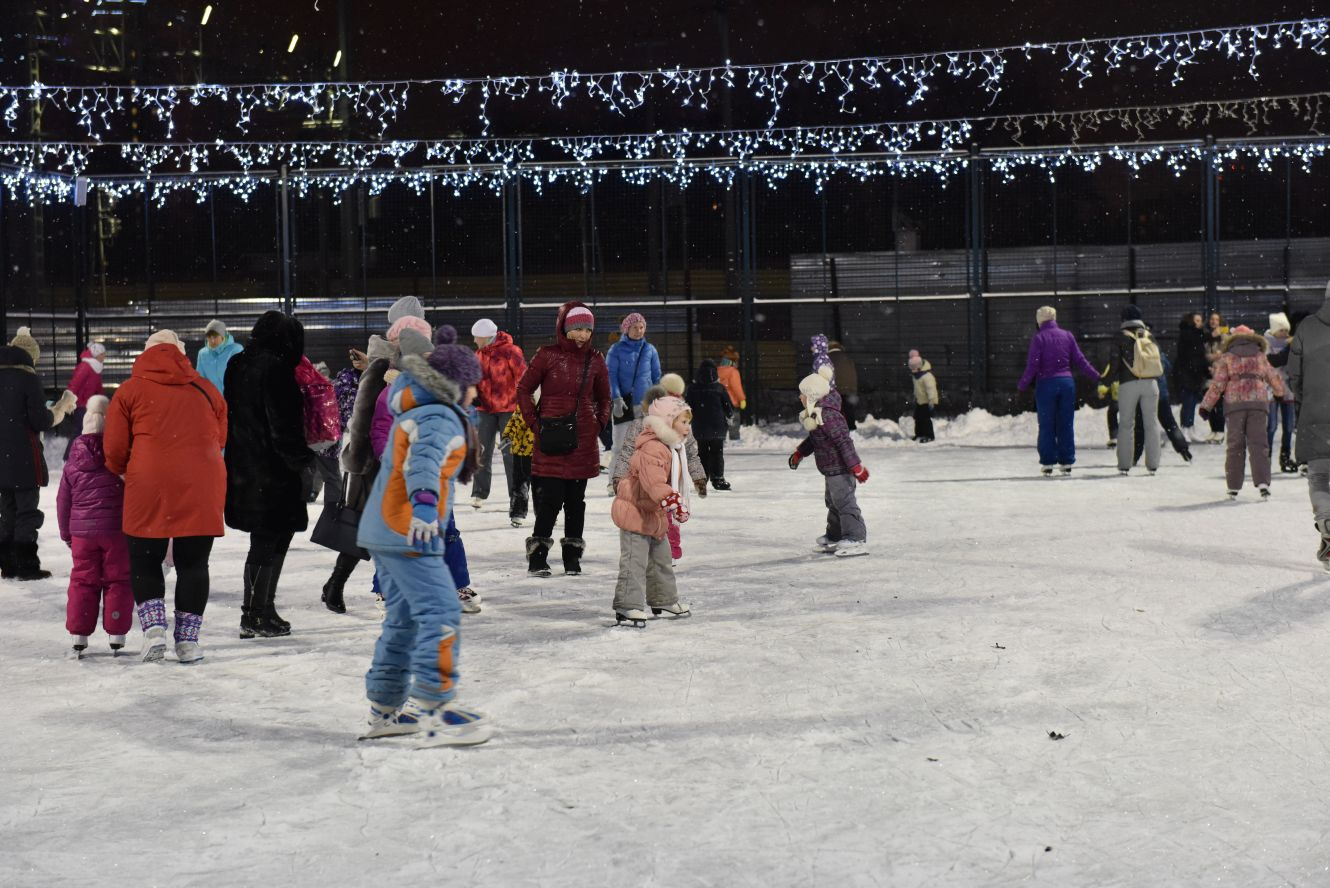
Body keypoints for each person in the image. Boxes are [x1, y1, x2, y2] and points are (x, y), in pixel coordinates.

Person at [356, 328, 492, 747]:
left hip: (386, 528)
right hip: (409, 529)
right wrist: (423, 508)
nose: (475, 395)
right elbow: (423, 464)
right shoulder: (439, 416)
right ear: (457, 385)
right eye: (472, 386)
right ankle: (435, 710)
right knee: (440, 612)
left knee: (404, 621)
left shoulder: (418, 407)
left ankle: (384, 712)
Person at [104, 329, 227, 663]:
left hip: (149, 480)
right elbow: (220, 435)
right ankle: (188, 643)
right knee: (193, 562)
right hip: (202, 480)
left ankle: (154, 630)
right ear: (181, 353)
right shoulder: (206, 388)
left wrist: (124, 468)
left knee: (145, 557)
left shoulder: (129, 391)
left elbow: (114, 447)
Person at [223, 312, 316, 639]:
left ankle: (260, 610)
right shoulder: (276, 369)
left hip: (245, 467)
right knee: (269, 540)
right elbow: (283, 427)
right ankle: (254, 614)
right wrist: (303, 460)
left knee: (266, 540)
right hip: (273, 471)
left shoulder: (238, 364)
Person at [515, 302, 612, 577]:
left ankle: (572, 557)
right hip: (551, 440)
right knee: (550, 501)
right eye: (577, 329)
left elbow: (605, 397)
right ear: (564, 328)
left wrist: (598, 424)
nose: (582, 335)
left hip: (582, 440)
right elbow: (523, 389)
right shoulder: (547, 355)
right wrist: (535, 423)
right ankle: (538, 556)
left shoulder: (595, 359)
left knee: (576, 502)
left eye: (586, 330)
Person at [56, 395, 132, 658]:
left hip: (82, 534)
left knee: (82, 581)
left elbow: (63, 501)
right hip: (116, 532)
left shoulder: (73, 462)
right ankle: (116, 632)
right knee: (118, 580)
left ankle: (79, 634)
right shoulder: (119, 456)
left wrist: (67, 534)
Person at [0, 326, 76, 581]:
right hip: (23, 456)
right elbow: (40, 421)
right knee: (27, 511)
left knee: (7, 510)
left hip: (2, 456)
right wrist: (60, 409)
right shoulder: (28, 378)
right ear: (30, 357)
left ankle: (8, 564)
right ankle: (26, 565)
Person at [610, 394, 693, 627]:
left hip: (652, 512)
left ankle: (663, 599)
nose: (687, 428)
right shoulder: (653, 448)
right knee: (634, 562)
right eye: (683, 422)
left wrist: (673, 501)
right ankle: (628, 605)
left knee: (661, 560)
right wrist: (671, 499)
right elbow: (653, 481)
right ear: (667, 423)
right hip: (635, 511)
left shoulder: (670, 448)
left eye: (688, 422)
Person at [611, 379, 708, 563]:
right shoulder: (639, 426)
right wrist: (618, 477)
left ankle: (670, 550)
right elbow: (627, 453)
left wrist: (699, 477)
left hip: (670, 481)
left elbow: (691, 453)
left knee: (669, 517)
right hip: (644, 482)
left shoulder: (681, 426)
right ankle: (655, 552)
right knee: (651, 517)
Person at [789, 339, 870, 558]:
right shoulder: (817, 415)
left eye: (803, 394)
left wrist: (857, 468)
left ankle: (856, 537)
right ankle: (835, 535)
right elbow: (815, 440)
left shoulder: (829, 416)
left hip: (842, 469)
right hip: (830, 469)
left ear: (813, 396)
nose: (800, 397)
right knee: (833, 503)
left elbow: (844, 442)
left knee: (845, 503)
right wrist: (800, 453)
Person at [338, 335, 395, 611]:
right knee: (369, 529)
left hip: (369, 464)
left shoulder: (376, 374)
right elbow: (361, 424)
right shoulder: (380, 376)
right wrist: (359, 460)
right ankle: (336, 586)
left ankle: (335, 586)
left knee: (365, 529)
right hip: (373, 466)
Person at [317, 343, 374, 614]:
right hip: (367, 464)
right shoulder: (356, 381)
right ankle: (335, 584)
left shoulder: (394, 375)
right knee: (362, 529)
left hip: (392, 462)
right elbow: (349, 416)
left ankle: (334, 585)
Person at [1199, 324, 1285, 500]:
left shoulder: (1227, 357)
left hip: (1235, 404)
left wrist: (1206, 406)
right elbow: (1272, 376)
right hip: (1258, 403)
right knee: (1259, 444)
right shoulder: (1260, 355)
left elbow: (1218, 384)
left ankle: (1233, 486)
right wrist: (1279, 393)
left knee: (1235, 446)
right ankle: (1262, 483)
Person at [1016, 306, 1101, 476]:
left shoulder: (1039, 338)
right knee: (1066, 423)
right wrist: (1096, 376)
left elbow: (1032, 365)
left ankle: (1048, 462)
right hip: (1066, 383)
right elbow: (1080, 360)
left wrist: (1022, 385)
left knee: (1047, 424)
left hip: (1046, 384)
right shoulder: (1068, 336)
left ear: (1039, 320)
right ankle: (1066, 461)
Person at [1288, 283, 1330, 568]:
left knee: (1319, 478)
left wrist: (1304, 408)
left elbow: (1295, 377)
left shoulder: (1307, 327)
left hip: (1315, 414)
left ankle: (1326, 523)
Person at [468, 318, 527, 512]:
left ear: (485, 337)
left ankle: (516, 495)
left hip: (509, 409)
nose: (475, 341)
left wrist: (524, 405)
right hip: (485, 411)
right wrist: (473, 394)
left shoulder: (511, 352)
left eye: (477, 337)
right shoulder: (478, 355)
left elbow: (523, 379)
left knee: (511, 454)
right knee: (481, 451)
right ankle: (479, 492)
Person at [1105, 305, 1164, 476]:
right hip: (1151, 383)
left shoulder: (1120, 337)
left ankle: (1124, 465)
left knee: (1126, 424)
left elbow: (1114, 364)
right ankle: (1153, 465)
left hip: (1128, 384)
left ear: (1123, 319)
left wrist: (1104, 381)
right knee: (1151, 423)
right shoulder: (1149, 335)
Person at [606, 312, 662, 489]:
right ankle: (615, 482)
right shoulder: (615, 350)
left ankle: (643, 482)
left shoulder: (650, 350)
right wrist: (616, 398)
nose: (639, 331)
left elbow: (656, 376)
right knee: (621, 446)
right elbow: (611, 376)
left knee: (647, 447)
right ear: (626, 329)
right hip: (624, 404)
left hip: (645, 405)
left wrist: (657, 400)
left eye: (642, 327)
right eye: (635, 327)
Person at [686, 359, 734, 490]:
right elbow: (728, 406)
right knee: (717, 453)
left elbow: (687, 406)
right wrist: (729, 415)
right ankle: (718, 479)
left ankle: (703, 479)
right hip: (718, 426)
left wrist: (686, 420)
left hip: (700, 427)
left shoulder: (692, 389)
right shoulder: (719, 388)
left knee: (702, 453)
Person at [1265, 312, 1298, 474]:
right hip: (1270, 390)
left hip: (1287, 390)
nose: (1285, 333)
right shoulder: (1265, 345)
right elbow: (1269, 364)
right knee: (1271, 426)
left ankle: (1285, 457)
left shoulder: (1291, 345)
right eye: (1282, 330)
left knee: (1289, 426)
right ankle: (1266, 457)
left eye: (1287, 330)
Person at [1174, 313, 1209, 441]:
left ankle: (1189, 427)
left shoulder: (1196, 335)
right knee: (1188, 401)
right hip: (1188, 374)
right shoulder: (1189, 335)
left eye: (1201, 320)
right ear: (1191, 321)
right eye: (1197, 320)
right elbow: (1191, 356)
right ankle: (1185, 428)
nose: (1200, 323)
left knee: (1191, 402)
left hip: (1193, 374)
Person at [501, 404, 534, 528]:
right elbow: (515, 417)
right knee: (520, 483)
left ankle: (546, 513)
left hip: (542, 448)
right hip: (521, 448)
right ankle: (517, 513)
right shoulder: (524, 396)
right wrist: (507, 435)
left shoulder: (550, 398)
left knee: (543, 485)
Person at [196, 319, 243, 395]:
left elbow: (241, 378)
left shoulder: (236, 350)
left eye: (215, 337)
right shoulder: (202, 354)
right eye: (209, 337)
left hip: (233, 399)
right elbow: (201, 379)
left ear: (222, 336)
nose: (212, 341)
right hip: (213, 400)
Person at [1203, 311, 1230, 442]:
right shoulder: (1206, 337)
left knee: (1219, 404)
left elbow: (1227, 355)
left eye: (1216, 320)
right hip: (1209, 374)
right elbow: (1204, 354)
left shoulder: (1225, 337)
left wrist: (1217, 361)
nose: (1213, 322)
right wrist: (1209, 360)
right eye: (1212, 319)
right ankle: (1213, 430)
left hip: (1220, 375)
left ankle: (1220, 431)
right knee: (1210, 403)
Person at [827, 340, 860, 431]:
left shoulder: (827, 359)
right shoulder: (848, 358)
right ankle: (851, 428)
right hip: (849, 390)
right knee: (848, 410)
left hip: (833, 390)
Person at [717, 345, 747, 442]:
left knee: (721, 422)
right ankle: (734, 439)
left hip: (718, 402)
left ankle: (720, 439)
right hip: (731, 402)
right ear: (733, 361)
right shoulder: (733, 372)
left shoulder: (717, 370)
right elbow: (736, 387)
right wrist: (742, 399)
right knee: (734, 421)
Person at [908, 352, 938, 442]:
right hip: (919, 401)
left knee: (925, 419)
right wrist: (915, 397)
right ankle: (919, 434)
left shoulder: (927, 377)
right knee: (917, 418)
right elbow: (916, 389)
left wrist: (931, 401)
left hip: (927, 402)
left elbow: (931, 389)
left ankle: (929, 435)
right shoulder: (916, 376)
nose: (912, 370)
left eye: (914, 368)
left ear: (919, 367)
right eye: (911, 368)